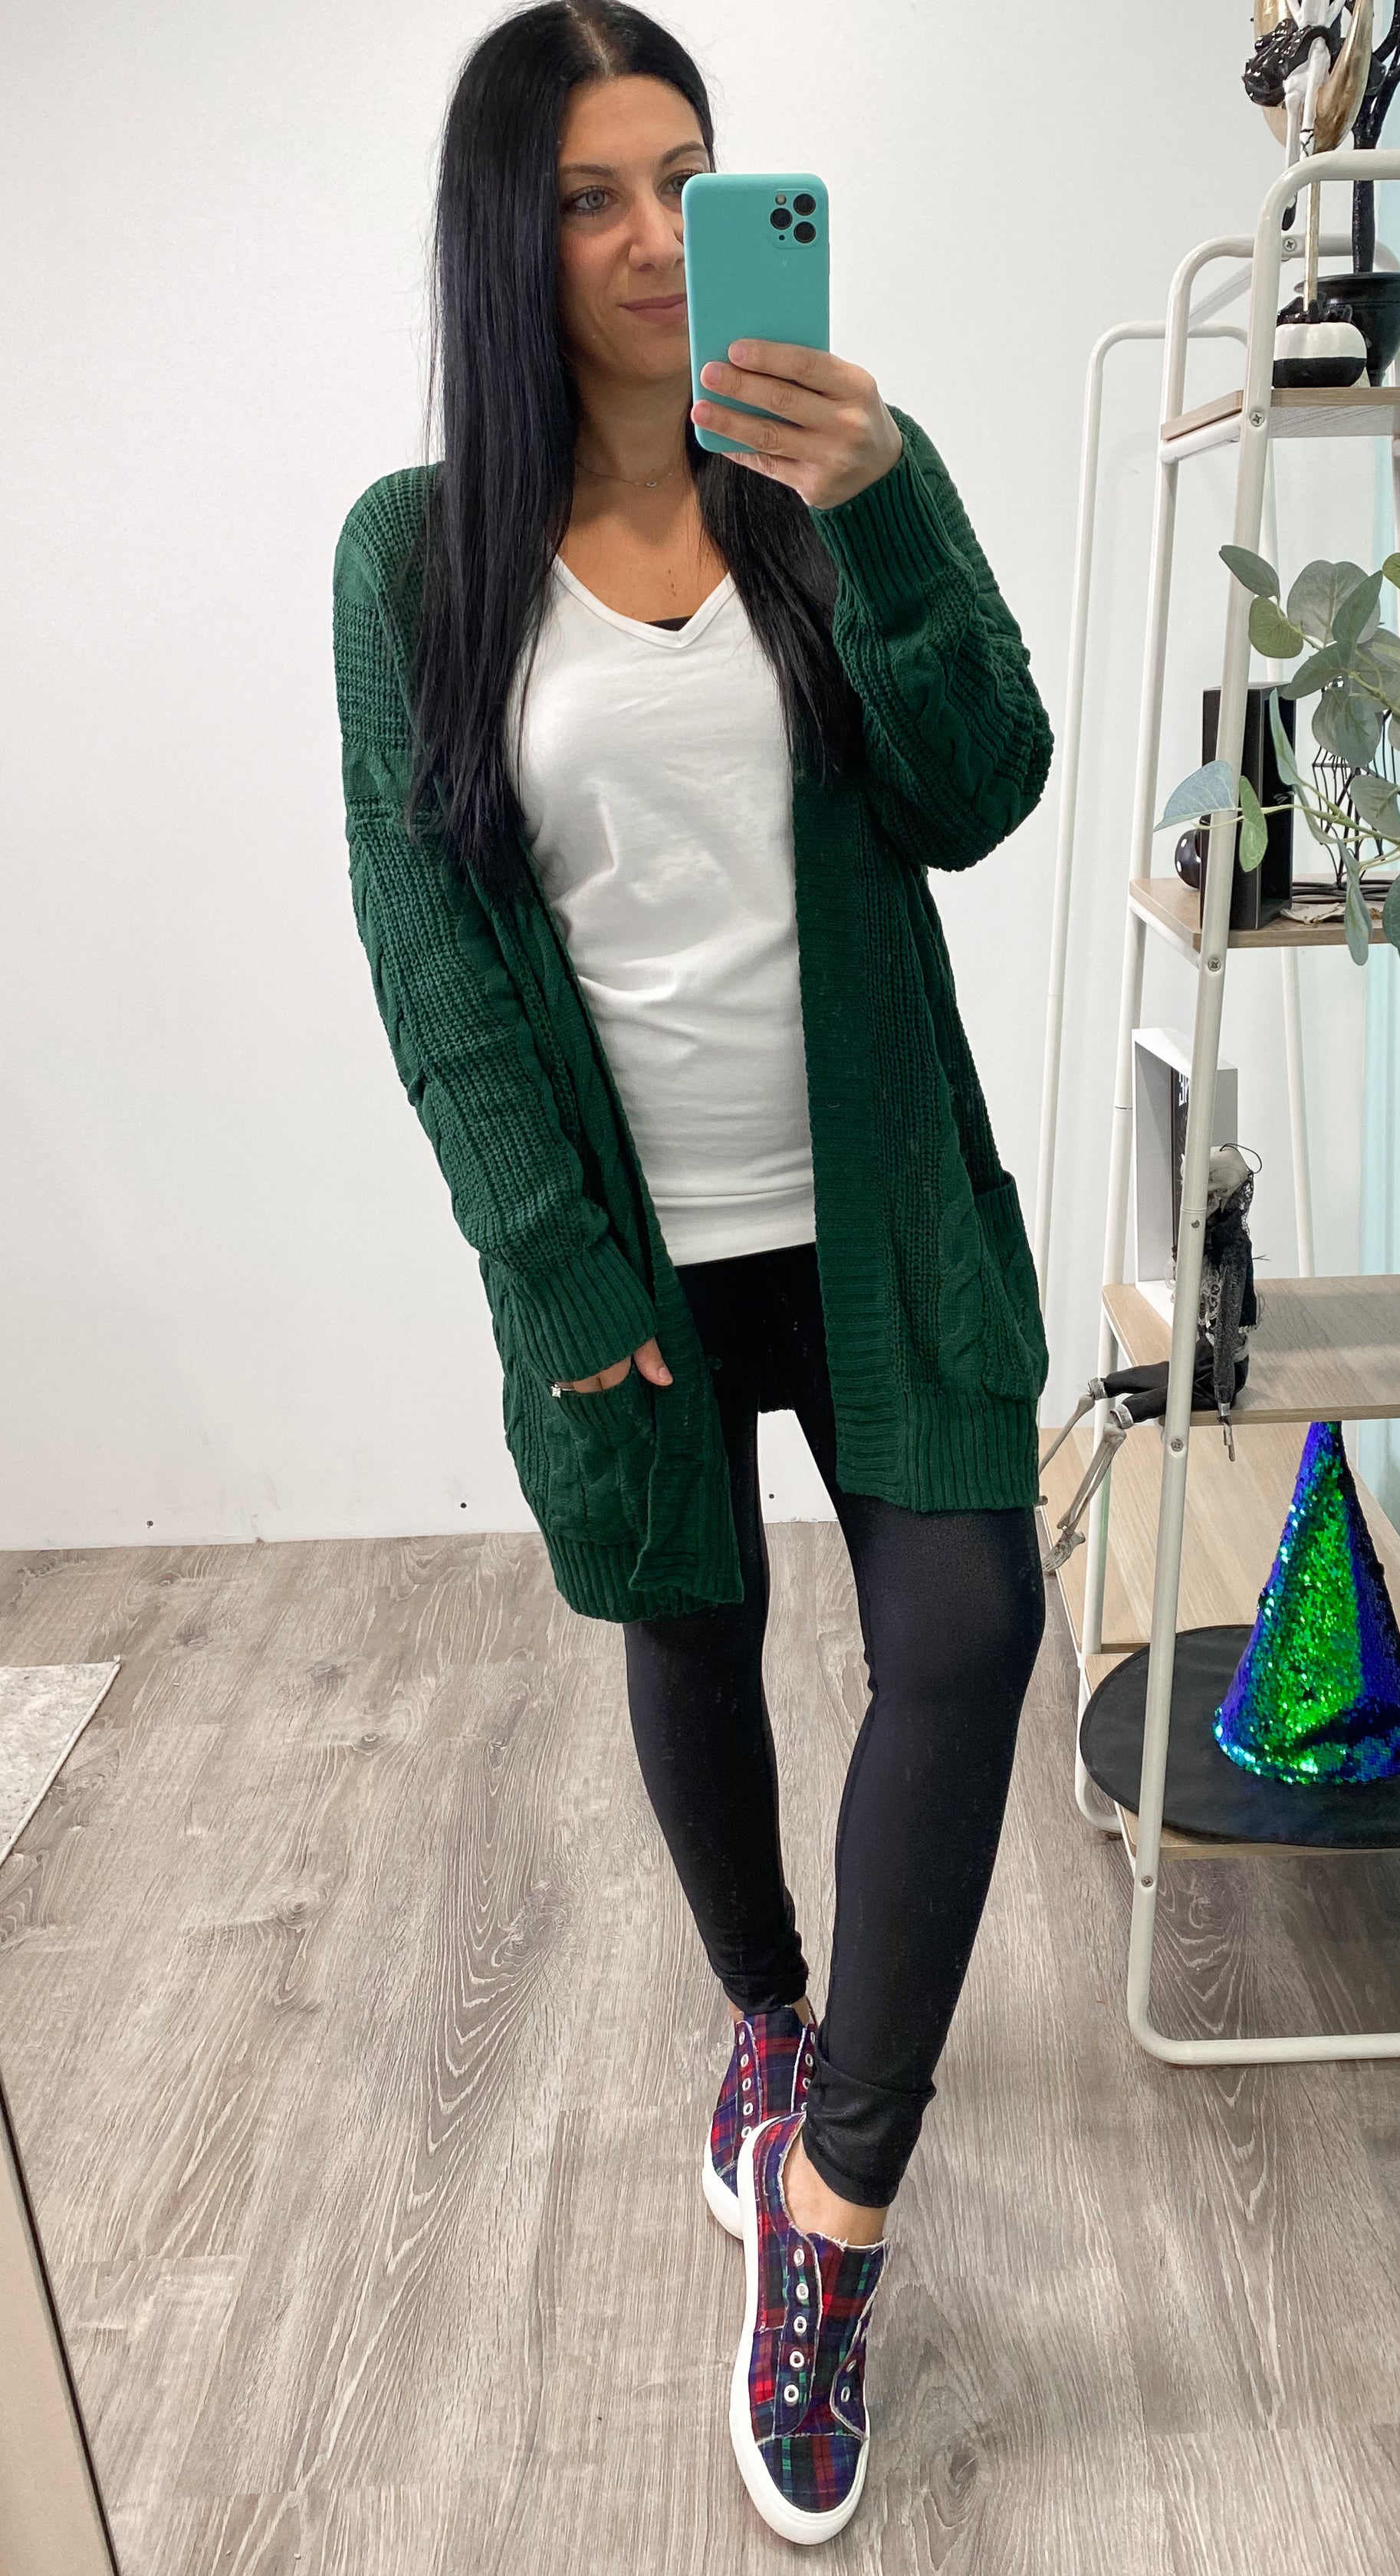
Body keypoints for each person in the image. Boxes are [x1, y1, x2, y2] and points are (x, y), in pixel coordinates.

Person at [331, 3, 1053, 2544]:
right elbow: (427, 941)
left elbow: (982, 790)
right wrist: (552, 1273)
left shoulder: (829, 483)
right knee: (694, 1622)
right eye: (589, 196)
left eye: (691, 178)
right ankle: (765, 2015)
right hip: (632, 1240)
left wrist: (894, 508)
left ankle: (833, 2211)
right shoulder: (413, 552)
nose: (655, 238)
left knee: (969, 1629)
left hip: (879, 1207)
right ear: (504, 238)